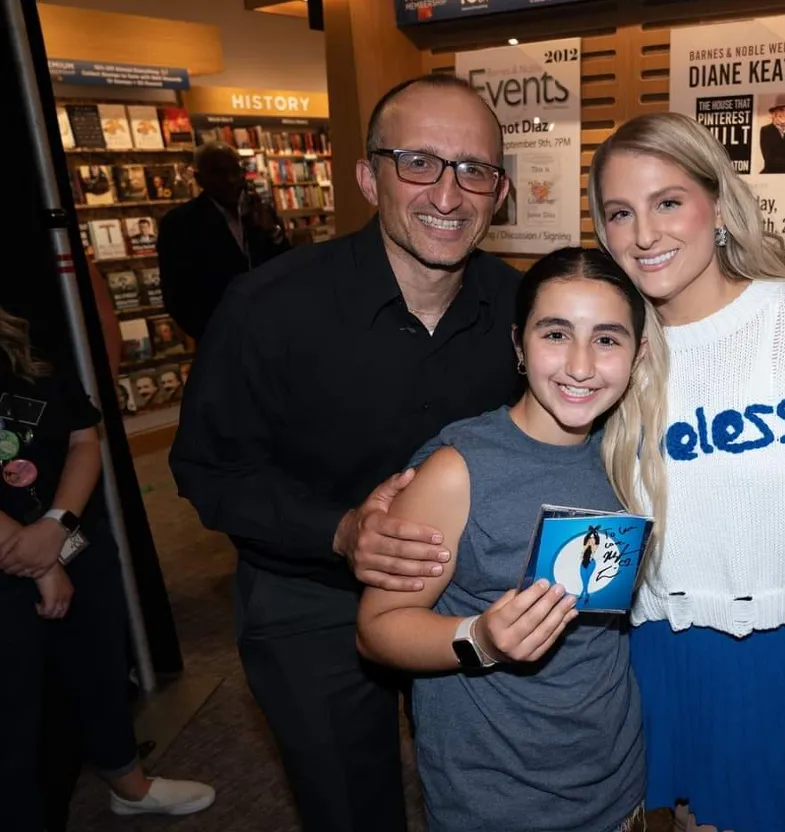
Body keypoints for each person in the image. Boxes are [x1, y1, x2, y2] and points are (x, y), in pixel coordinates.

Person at [169, 75, 522, 832]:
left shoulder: (522, 311)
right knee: (348, 806)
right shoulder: (268, 307)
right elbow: (207, 469)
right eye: (419, 163)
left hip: (469, 592)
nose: (448, 195)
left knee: (487, 792)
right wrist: (338, 531)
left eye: (474, 170)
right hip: (309, 601)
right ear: (369, 177)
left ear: (498, 191)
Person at [585, 111, 785, 832]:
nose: (644, 234)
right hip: (658, 647)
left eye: (668, 202)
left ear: (717, 205)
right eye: (620, 214)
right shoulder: (609, 347)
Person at [356, 247, 667, 832]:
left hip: (617, 778)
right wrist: (480, 638)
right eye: (556, 334)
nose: (580, 365)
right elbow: (377, 629)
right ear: (519, 346)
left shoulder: (629, 457)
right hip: (499, 797)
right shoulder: (458, 469)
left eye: (607, 339)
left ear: (637, 355)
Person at [0, 306, 214, 830]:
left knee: (99, 665)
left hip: (71, 538)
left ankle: (129, 786)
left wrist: (55, 526)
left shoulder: (29, 339)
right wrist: (36, 560)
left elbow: (82, 437)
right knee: (12, 714)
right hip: (11, 561)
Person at [156, 141, 291, 342]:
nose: (230, 180)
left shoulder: (260, 212)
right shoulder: (180, 223)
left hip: (271, 332)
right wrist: (212, 335)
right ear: (200, 179)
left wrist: (273, 231)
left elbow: (286, 267)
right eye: (218, 173)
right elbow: (176, 295)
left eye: (236, 171)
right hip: (221, 338)